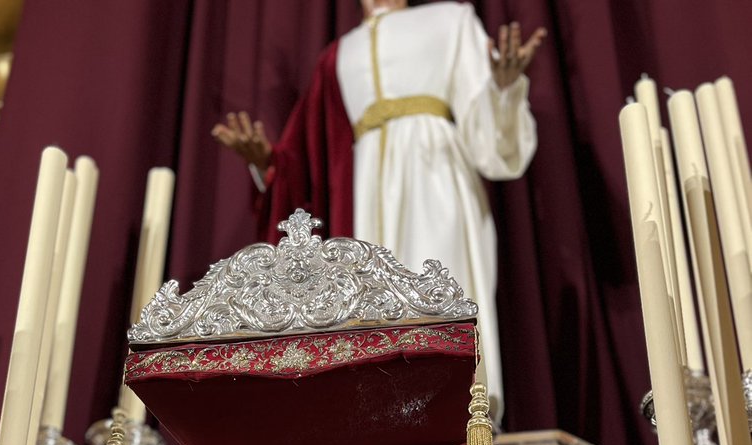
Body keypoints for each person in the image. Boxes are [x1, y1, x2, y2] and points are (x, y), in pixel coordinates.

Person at [213, 1, 545, 412]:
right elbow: (308, 161)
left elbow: (490, 142)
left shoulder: (450, 19)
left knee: (440, 288)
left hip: (436, 181)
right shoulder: (337, 56)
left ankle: (464, 415)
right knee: (372, 322)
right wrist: (266, 163)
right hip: (363, 196)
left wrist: (503, 89)